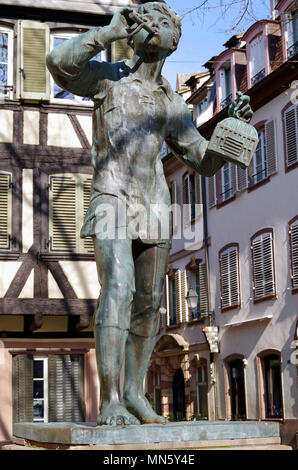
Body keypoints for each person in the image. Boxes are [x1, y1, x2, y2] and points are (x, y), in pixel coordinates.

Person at [47, 1, 252, 426]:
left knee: (151, 303)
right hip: (112, 197)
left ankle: (135, 395)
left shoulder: (172, 104)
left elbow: (201, 159)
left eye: (168, 23)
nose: (163, 28)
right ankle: (110, 401)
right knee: (118, 291)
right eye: (154, 22)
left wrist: (232, 130)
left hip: (155, 204)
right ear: (137, 35)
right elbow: (57, 63)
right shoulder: (108, 80)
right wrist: (107, 33)